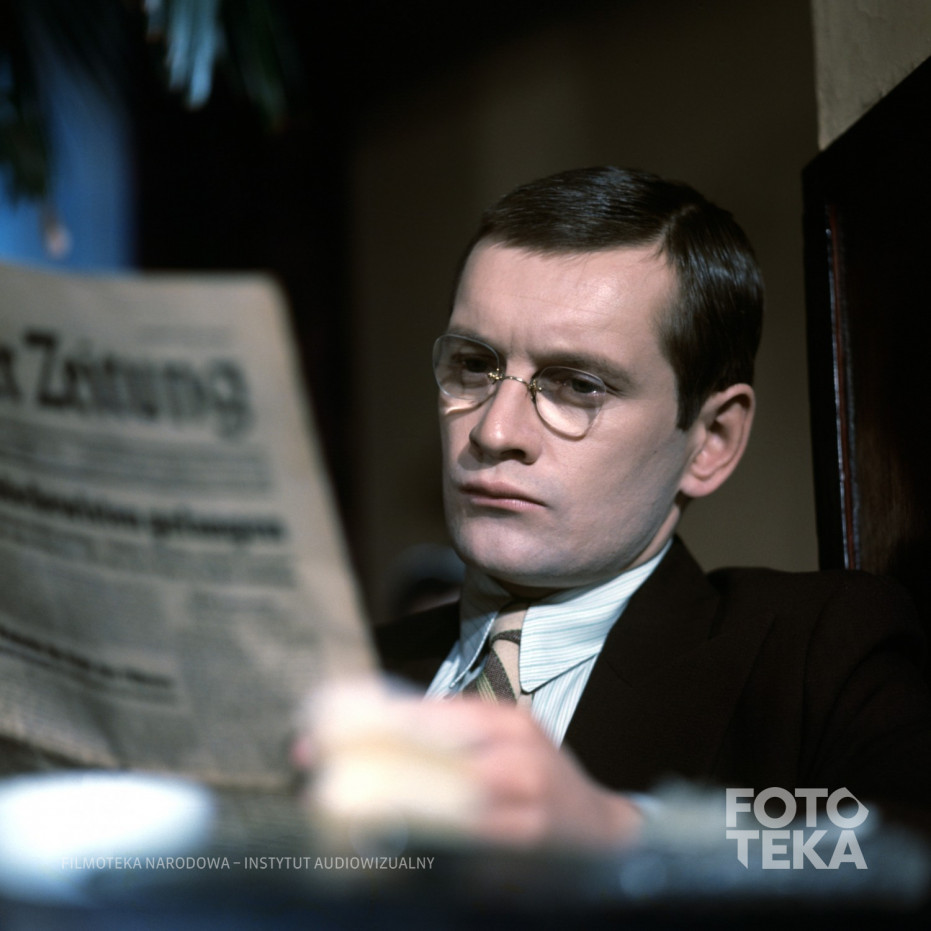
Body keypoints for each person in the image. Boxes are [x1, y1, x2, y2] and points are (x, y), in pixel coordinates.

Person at [371, 166, 931, 848]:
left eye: (577, 385)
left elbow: (903, 845)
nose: (494, 431)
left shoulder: (810, 656)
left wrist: (623, 830)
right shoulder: (344, 675)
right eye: (472, 365)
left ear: (711, 440)